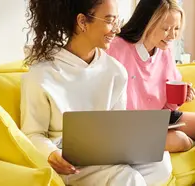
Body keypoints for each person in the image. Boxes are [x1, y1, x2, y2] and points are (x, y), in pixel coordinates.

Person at [20, 0, 171, 185]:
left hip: (106, 155)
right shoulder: (42, 74)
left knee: (161, 163)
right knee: (128, 178)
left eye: (117, 20)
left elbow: (118, 127)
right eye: (109, 21)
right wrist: (51, 154)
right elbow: (32, 134)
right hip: (70, 164)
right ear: (82, 22)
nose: (116, 29)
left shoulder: (115, 71)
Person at [105, 0, 195, 153]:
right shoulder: (115, 48)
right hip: (129, 126)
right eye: (166, 29)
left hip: (160, 118)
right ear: (147, 22)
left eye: (177, 29)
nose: (173, 36)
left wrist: (179, 97)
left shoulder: (164, 51)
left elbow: (167, 106)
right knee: (181, 140)